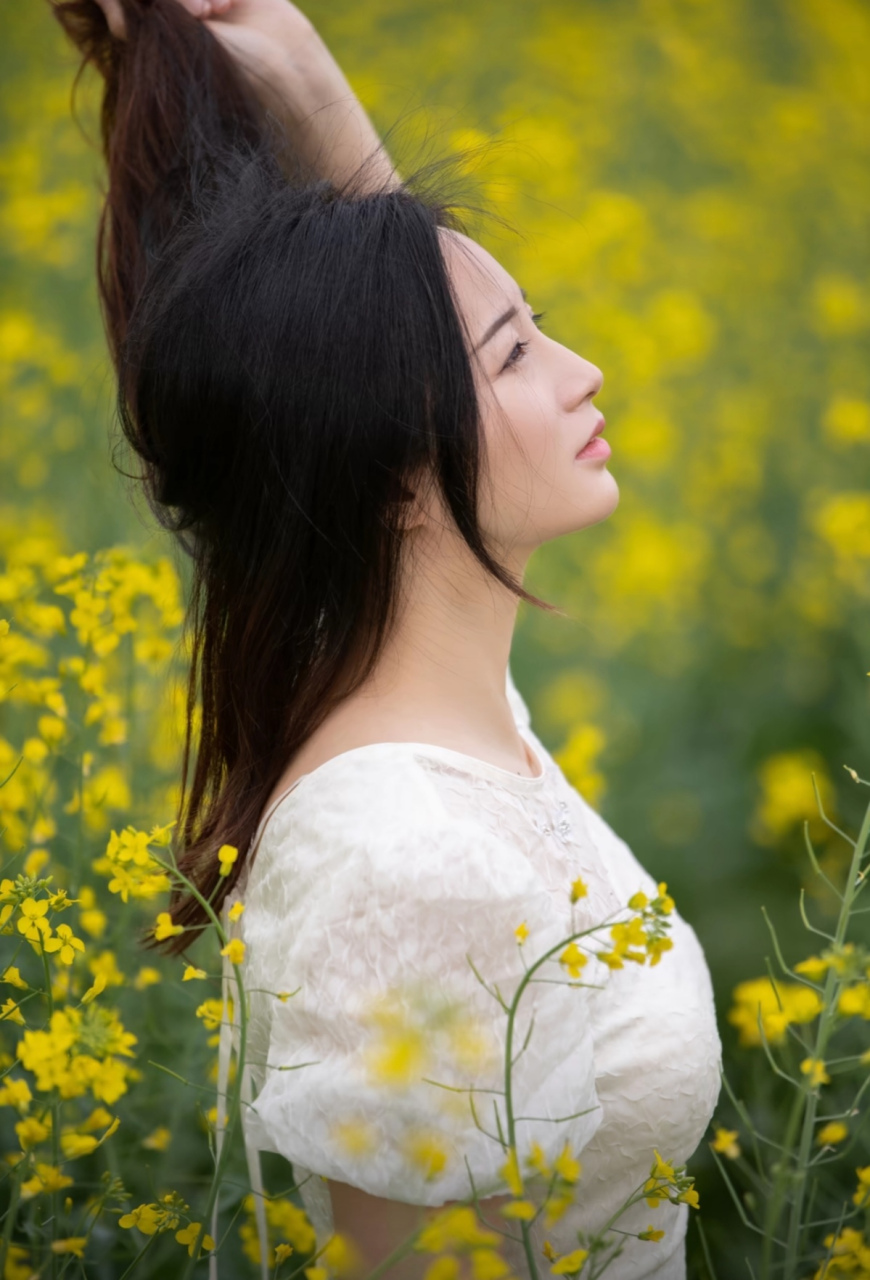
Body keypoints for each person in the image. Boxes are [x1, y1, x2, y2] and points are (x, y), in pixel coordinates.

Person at [54, 0, 722, 1275]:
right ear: (389, 463)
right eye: (519, 351)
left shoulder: (455, 722)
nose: (581, 368)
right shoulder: (404, 855)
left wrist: (301, 80)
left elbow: (379, 345)